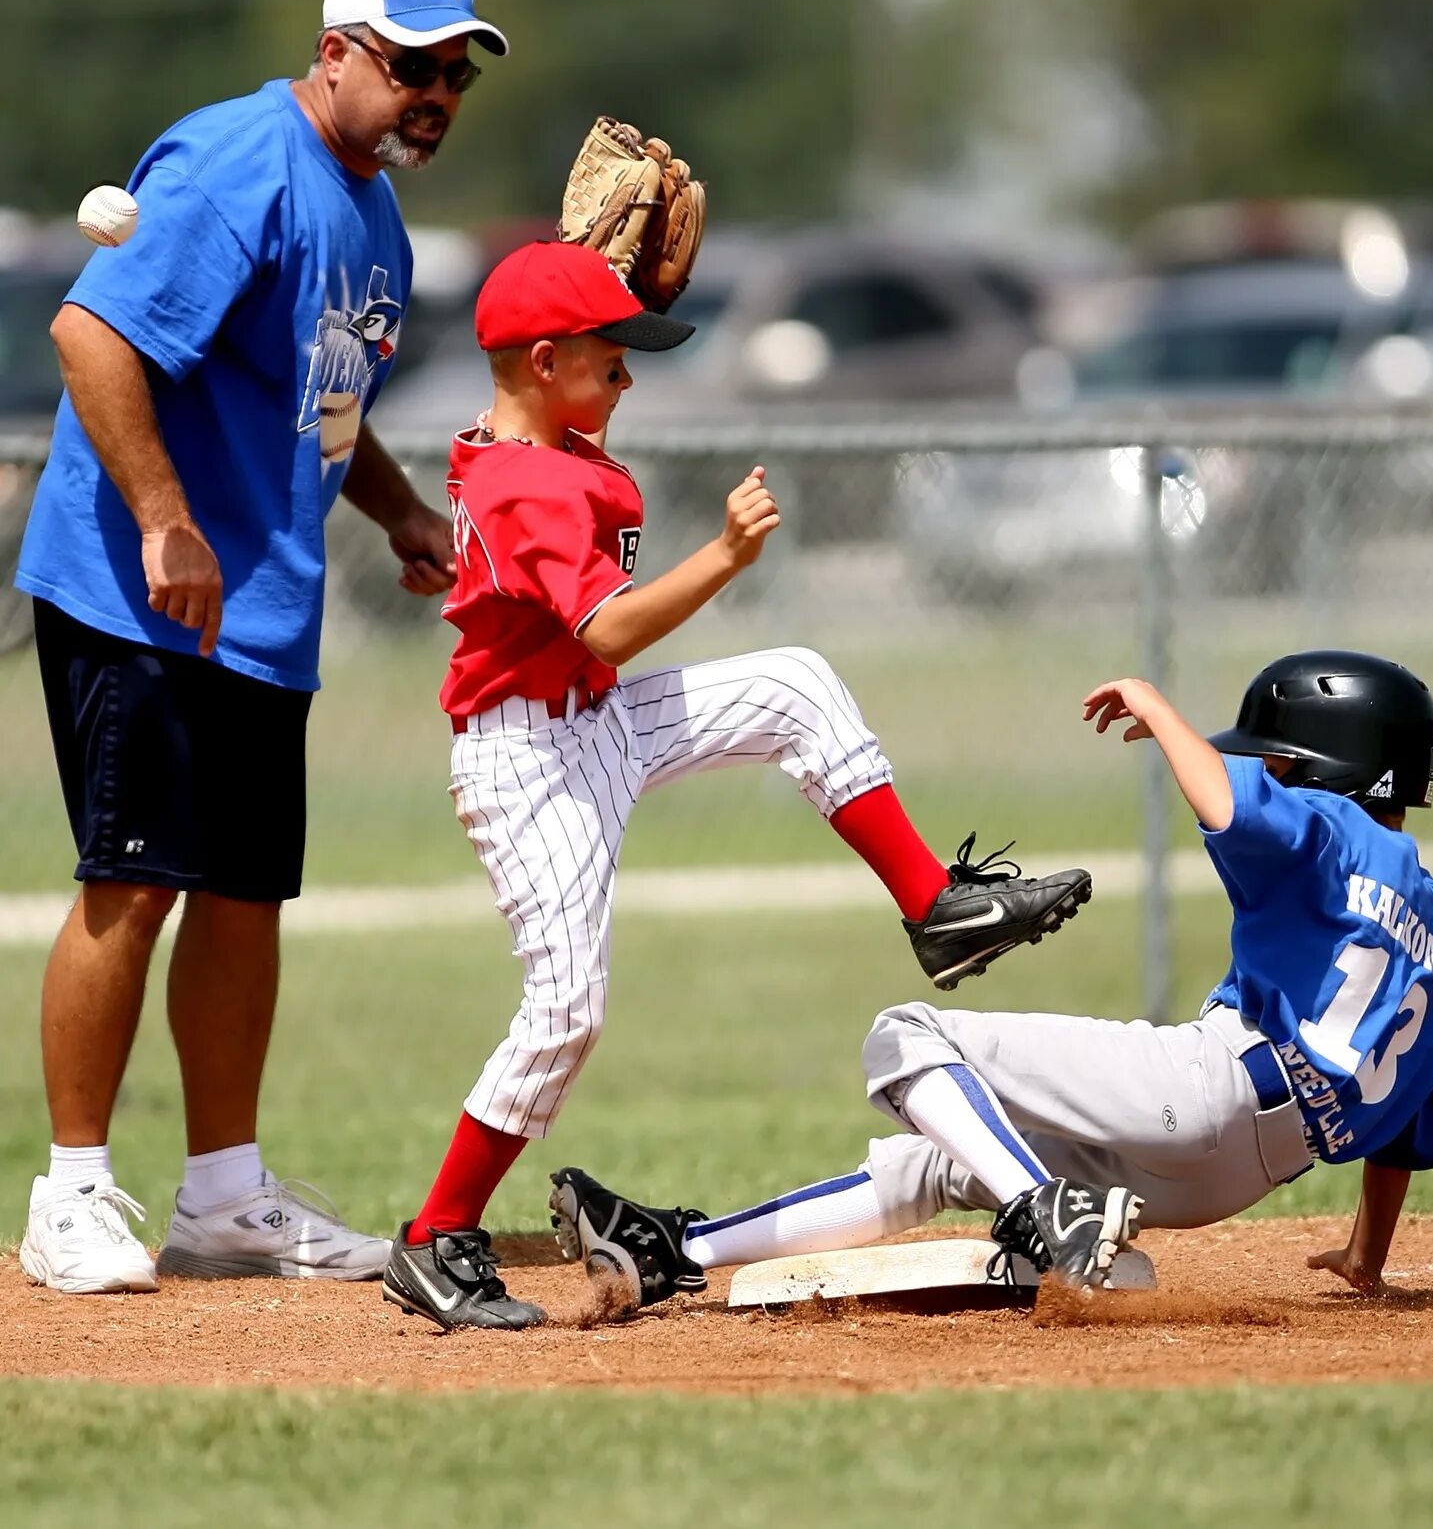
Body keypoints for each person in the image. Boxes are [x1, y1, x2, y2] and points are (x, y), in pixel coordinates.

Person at [378, 240, 1093, 1331]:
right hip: (528, 764)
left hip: (593, 721)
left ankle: (935, 909)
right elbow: (609, 624)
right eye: (608, 360)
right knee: (566, 1011)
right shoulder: (525, 481)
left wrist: (604, 293)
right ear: (540, 361)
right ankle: (435, 1236)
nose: (626, 379)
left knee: (795, 686)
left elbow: (559, 426)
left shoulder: (531, 441)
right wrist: (723, 555)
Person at [15, 0, 508, 1295]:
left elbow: (322, 401)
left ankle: (225, 1197)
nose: (433, 94)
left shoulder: (376, 216)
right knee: (135, 877)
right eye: (410, 64)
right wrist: (165, 516)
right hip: (140, 590)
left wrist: (400, 509)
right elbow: (93, 337)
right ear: (336, 51)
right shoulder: (244, 160)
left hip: (259, 607)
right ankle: (70, 1191)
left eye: (453, 75)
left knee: (242, 897)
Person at [548, 649, 1433, 1305]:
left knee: (909, 1035)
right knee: (945, 1159)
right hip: (1244, 1173)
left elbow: (1235, 809)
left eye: (1278, 758)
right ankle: (677, 1251)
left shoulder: (1331, 828)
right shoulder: (1431, 935)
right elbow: (1413, 1131)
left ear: (1329, 769)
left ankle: (1045, 1213)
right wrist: (1366, 1255)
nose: (1264, 770)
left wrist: (1158, 712)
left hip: (1216, 1086)